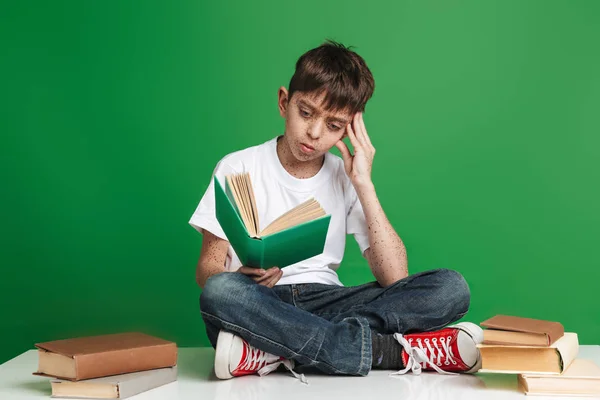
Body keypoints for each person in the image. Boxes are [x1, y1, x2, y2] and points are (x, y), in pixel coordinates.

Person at [189, 39, 483, 382]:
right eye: (306, 113)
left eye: (333, 125)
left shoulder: (344, 178)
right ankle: (386, 351)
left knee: (450, 287)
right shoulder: (237, 167)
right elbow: (208, 268)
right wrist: (239, 278)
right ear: (285, 102)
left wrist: (364, 185)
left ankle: (270, 352)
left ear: (350, 129)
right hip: (260, 303)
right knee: (219, 292)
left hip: (330, 301)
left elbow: (395, 278)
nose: (313, 133)